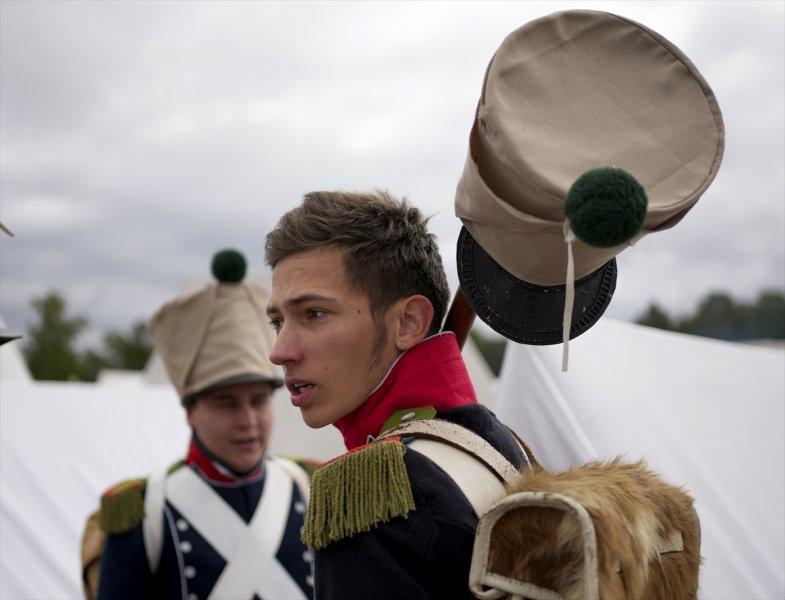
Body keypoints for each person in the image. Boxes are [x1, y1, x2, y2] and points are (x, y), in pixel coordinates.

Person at [265, 191, 528, 599]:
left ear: (408, 323)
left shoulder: (369, 494)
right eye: (278, 321)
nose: (280, 351)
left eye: (313, 314)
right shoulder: (498, 442)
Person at [91, 250, 315, 600]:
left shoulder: (309, 487)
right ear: (190, 412)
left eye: (259, 401)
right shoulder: (141, 512)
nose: (249, 421)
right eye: (226, 404)